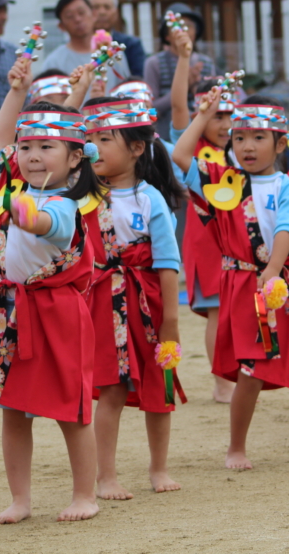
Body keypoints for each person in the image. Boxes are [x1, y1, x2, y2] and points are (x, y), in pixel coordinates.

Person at [0, 56, 103, 524]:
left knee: (71, 410)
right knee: (12, 409)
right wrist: (16, 91)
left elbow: (41, 224)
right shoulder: (14, 182)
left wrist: (21, 213)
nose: (32, 154)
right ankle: (20, 499)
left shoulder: (64, 205)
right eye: (27, 147)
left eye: (46, 147)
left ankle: (86, 494)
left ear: (75, 158)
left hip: (57, 312)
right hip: (11, 311)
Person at [174, 96, 289, 469]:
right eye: (240, 138)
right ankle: (236, 447)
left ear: (280, 143)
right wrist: (205, 113)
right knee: (250, 367)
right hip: (240, 284)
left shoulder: (288, 186)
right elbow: (180, 155)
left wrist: (272, 269)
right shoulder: (224, 181)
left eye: (258, 137)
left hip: (281, 281)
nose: (247, 147)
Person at [79, 92, 184, 499]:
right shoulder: (79, 197)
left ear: (137, 148)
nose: (93, 147)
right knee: (111, 389)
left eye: (105, 139)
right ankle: (105, 475)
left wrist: (171, 321)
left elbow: (167, 261)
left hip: (149, 304)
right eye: (89, 138)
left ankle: (159, 467)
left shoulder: (150, 198)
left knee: (161, 384)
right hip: (99, 305)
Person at [167, 28, 233, 403]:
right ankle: (222, 382)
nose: (225, 124)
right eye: (216, 115)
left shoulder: (241, 150)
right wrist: (184, 59)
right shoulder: (192, 149)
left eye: (230, 115)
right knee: (217, 310)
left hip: (239, 236)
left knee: (237, 308)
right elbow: (178, 108)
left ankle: (238, 373)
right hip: (205, 237)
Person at [145, 3, 218, 137]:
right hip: (166, 134)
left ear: (196, 32)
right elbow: (151, 108)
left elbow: (213, 104)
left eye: (189, 26)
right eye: (176, 26)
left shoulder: (206, 62)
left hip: (202, 134)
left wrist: (197, 87)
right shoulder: (154, 63)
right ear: (167, 36)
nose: (183, 31)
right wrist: (184, 84)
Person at [42, 0, 125, 95]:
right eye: (69, 16)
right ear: (61, 26)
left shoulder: (112, 52)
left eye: (81, 13)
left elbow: (125, 91)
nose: (77, 19)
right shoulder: (54, 62)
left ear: (94, 15)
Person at [90, 0, 146, 76]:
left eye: (107, 7)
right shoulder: (79, 45)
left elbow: (138, 78)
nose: (102, 12)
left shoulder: (131, 45)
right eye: (96, 7)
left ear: (116, 13)